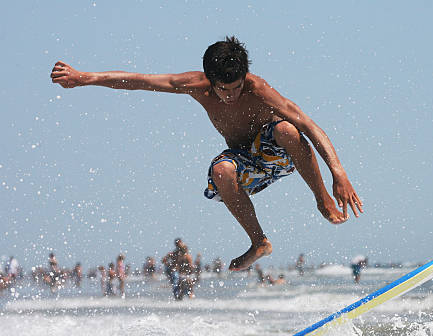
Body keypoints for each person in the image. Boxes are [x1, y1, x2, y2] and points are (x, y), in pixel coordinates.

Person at [51, 36, 363, 272]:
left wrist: (339, 173)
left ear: (245, 77)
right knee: (221, 171)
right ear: (209, 81)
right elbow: (140, 81)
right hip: (244, 164)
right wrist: (85, 77)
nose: (230, 96)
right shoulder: (195, 85)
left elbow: (308, 123)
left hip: (276, 155)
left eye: (237, 88)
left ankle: (321, 199)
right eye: (223, 90)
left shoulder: (259, 89)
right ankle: (259, 242)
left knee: (287, 130)